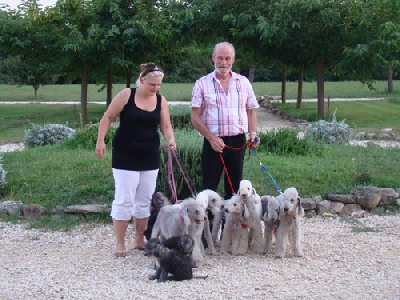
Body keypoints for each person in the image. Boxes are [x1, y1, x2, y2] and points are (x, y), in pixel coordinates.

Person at [96, 62, 176, 257]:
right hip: (125, 155)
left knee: (143, 200)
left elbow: (166, 126)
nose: (155, 88)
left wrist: (171, 139)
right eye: (152, 85)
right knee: (124, 200)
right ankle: (120, 244)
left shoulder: (161, 100)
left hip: (149, 155)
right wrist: (100, 141)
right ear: (141, 80)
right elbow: (107, 117)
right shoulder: (126, 95)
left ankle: (140, 240)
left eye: (158, 85)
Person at [191, 41, 259, 201]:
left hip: (238, 142)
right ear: (213, 58)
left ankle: (232, 225)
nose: (223, 63)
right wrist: (211, 138)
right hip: (213, 142)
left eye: (227, 58)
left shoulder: (243, 82)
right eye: (220, 58)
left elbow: (251, 110)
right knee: (209, 189)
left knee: (236, 189)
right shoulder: (202, 83)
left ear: (233, 59)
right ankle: (207, 224)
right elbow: (195, 116)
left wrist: (253, 134)